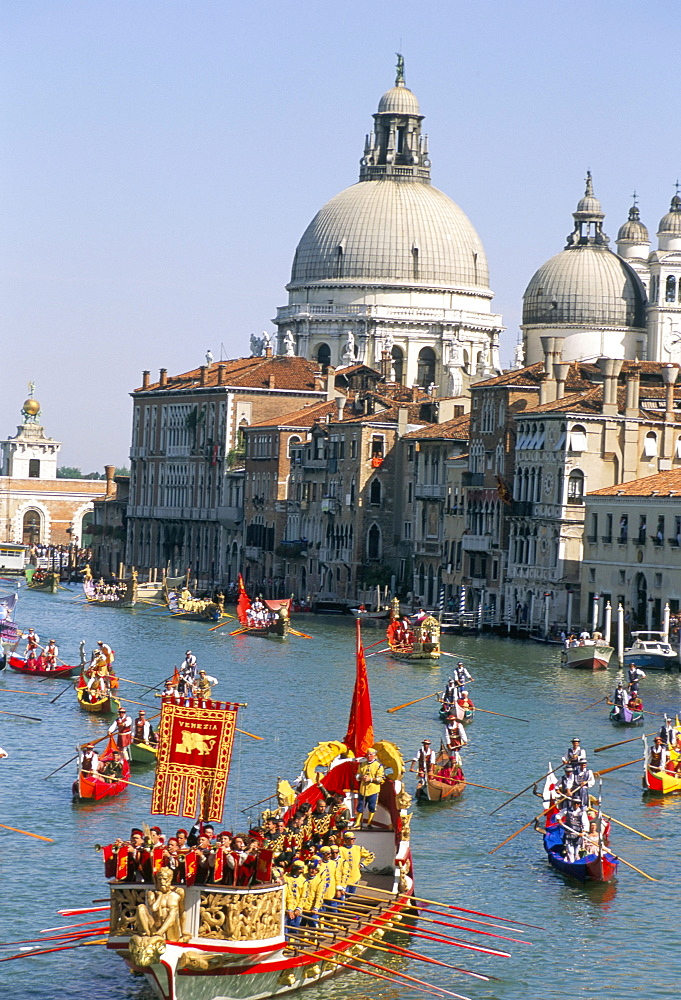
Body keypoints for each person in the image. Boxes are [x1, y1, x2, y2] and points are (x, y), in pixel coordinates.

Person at [354, 747, 385, 829]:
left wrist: (370, 779)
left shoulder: (378, 766)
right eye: (367, 754)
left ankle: (369, 823)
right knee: (360, 806)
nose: (369, 756)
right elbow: (357, 775)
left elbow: (380, 779)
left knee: (372, 807)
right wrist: (361, 777)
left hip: (373, 790)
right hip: (363, 789)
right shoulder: (362, 764)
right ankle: (357, 822)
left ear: (374, 756)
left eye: (371, 755)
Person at [284, 860, 307, 933]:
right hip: (286, 909)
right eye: (300, 869)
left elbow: (304, 896)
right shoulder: (286, 878)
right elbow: (287, 895)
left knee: (294, 930)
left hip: (297, 909)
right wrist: (289, 910)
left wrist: (298, 909)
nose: (301, 871)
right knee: (285, 931)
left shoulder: (303, 881)